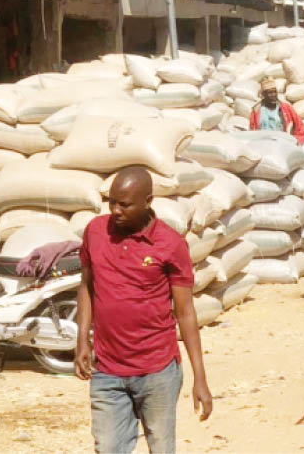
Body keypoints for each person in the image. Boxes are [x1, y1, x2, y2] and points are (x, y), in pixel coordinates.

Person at [75, 166, 212, 454]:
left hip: (157, 372)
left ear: (148, 201)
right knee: (108, 448)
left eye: (124, 204)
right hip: (108, 371)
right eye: (111, 202)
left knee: (161, 448)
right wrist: (81, 341)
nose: (115, 210)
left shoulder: (170, 244)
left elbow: (185, 313)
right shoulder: (96, 232)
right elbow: (86, 287)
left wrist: (200, 377)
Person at [248, 77, 304, 145]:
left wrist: (297, 141)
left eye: (275, 92)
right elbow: (252, 131)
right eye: (270, 93)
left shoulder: (286, 108)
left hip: (283, 145)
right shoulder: (256, 110)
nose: (273, 95)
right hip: (263, 145)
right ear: (263, 95)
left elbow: (299, 126)